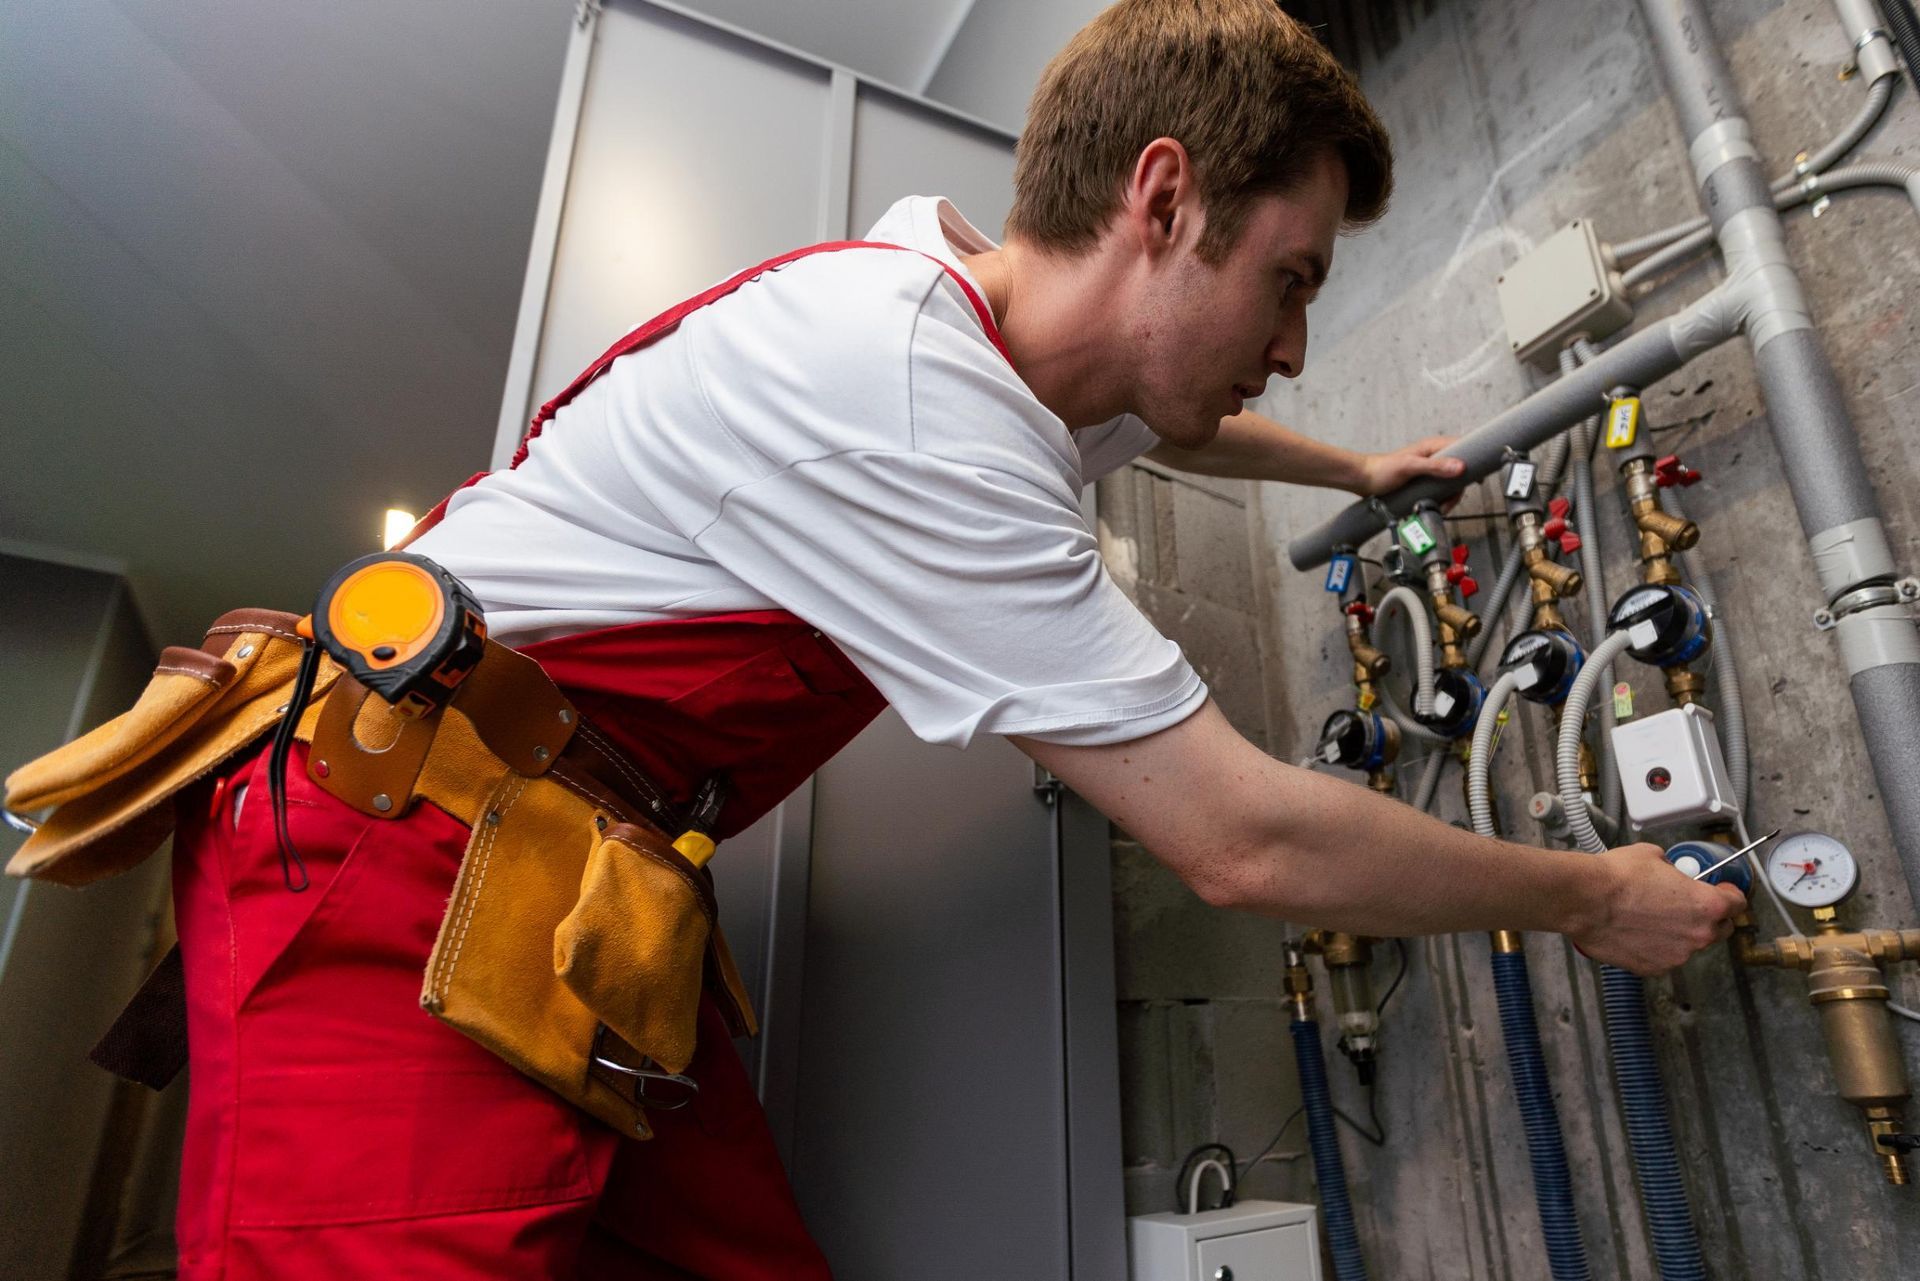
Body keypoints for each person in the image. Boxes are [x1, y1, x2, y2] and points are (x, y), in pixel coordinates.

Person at [37, 1, 1746, 1277]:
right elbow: (1239, 837)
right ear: (1164, 198)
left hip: (563, 887)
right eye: (1290, 280)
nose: (1296, 342)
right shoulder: (917, 400)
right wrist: (1590, 895)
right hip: (386, 855)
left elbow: (1176, 422)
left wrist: (1357, 460)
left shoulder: (988, 333)